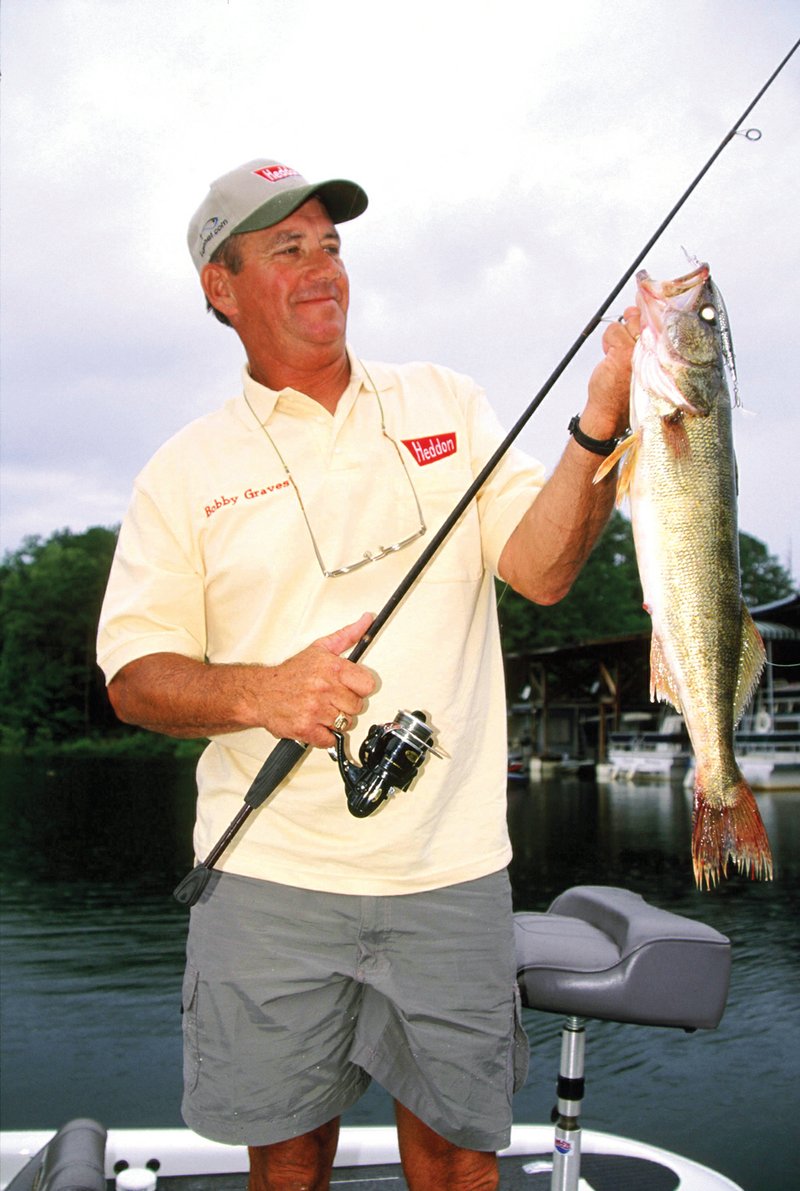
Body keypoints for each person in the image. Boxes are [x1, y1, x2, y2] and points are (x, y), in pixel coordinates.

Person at [97, 158, 639, 1191]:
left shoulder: (445, 404)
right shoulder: (182, 471)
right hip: (269, 879)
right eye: (286, 248)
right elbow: (133, 677)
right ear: (221, 287)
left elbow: (542, 567)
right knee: (288, 1159)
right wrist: (260, 692)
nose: (321, 269)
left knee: (454, 1159)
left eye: (331, 245)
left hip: (450, 871)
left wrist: (598, 425)